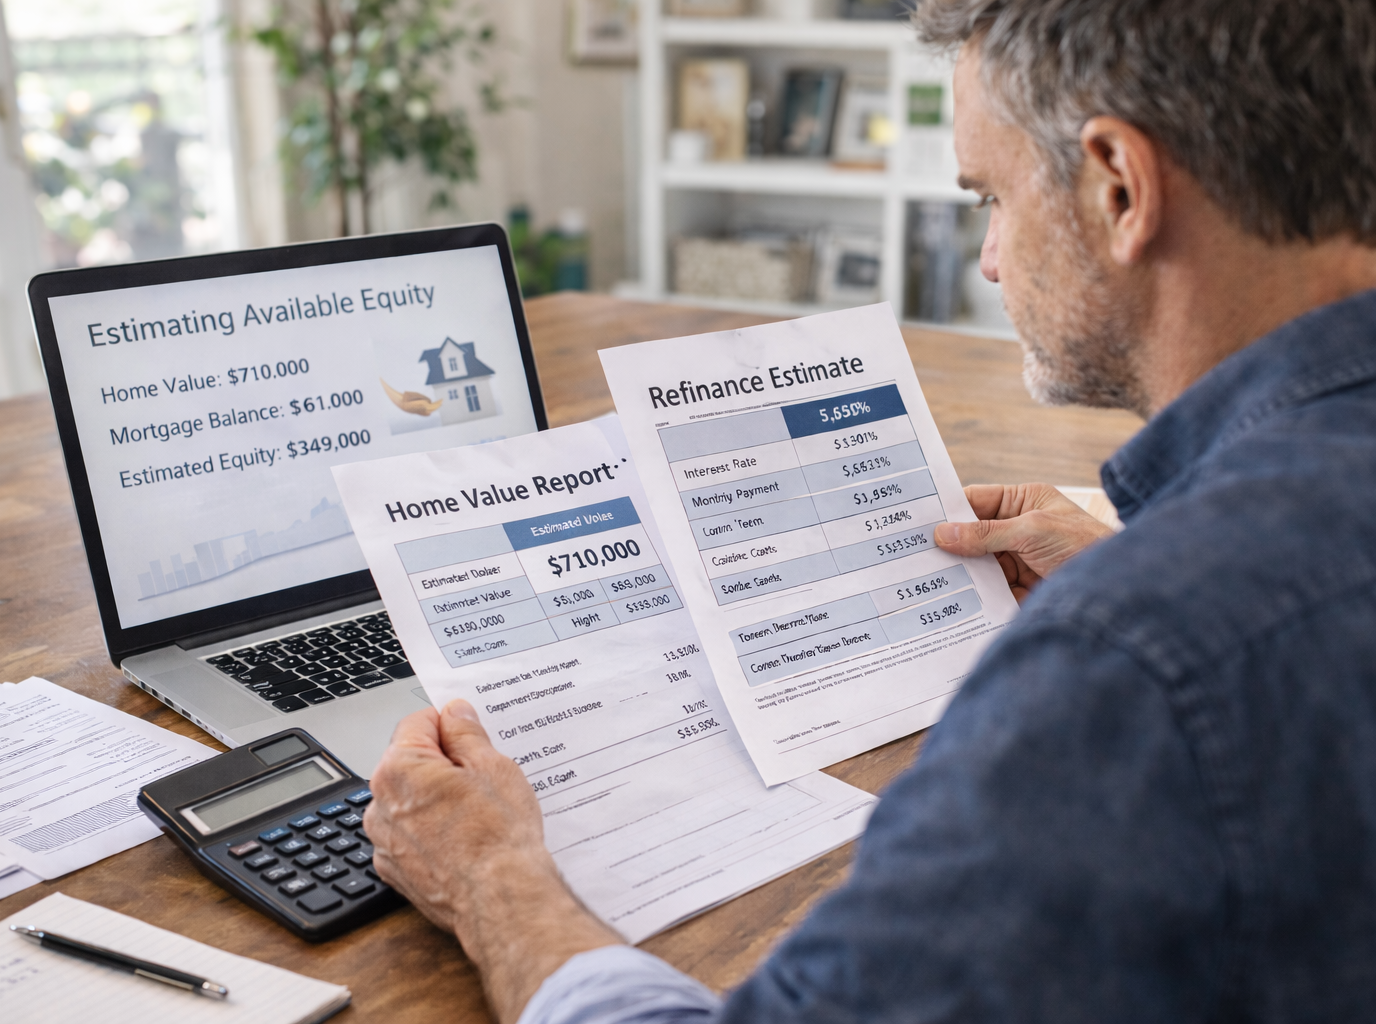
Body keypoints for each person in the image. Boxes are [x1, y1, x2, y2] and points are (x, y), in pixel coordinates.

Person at [363, 0, 1376, 1020]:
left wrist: (493, 883)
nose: (988, 259)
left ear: (1120, 186)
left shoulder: (1125, 665)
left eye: (989, 196)